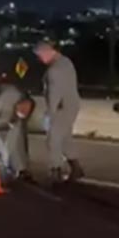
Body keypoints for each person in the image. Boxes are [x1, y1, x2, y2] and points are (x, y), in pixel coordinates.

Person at [33, 40, 84, 183]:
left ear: (48, 52)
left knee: (53, 139)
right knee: (65, 137)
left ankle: (56, 171)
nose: (40, 58)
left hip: (61, 107)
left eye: (40, 55)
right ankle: (76, 168)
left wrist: (50, 113)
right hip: (71, 104)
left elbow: (54, 93)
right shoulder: (66, 62)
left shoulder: (54, 70)